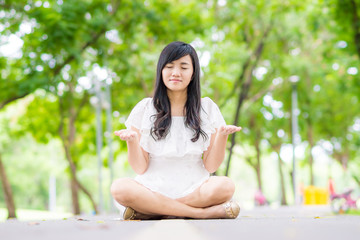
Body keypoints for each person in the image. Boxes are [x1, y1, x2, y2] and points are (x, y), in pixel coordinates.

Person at [111, 41, 242, 220]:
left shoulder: (208, 108)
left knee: (226, 186)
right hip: (151, 188)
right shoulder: (145, 108)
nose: (176, 73)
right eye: (169, 66)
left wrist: (222, 137)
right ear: (161, 71)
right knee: (119, 188)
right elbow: (140, 168)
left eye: (183, 67)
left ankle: (150, 211)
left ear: (193, 72)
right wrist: (132, 142)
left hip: (196, 187)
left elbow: (211, 166)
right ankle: (201, 213)